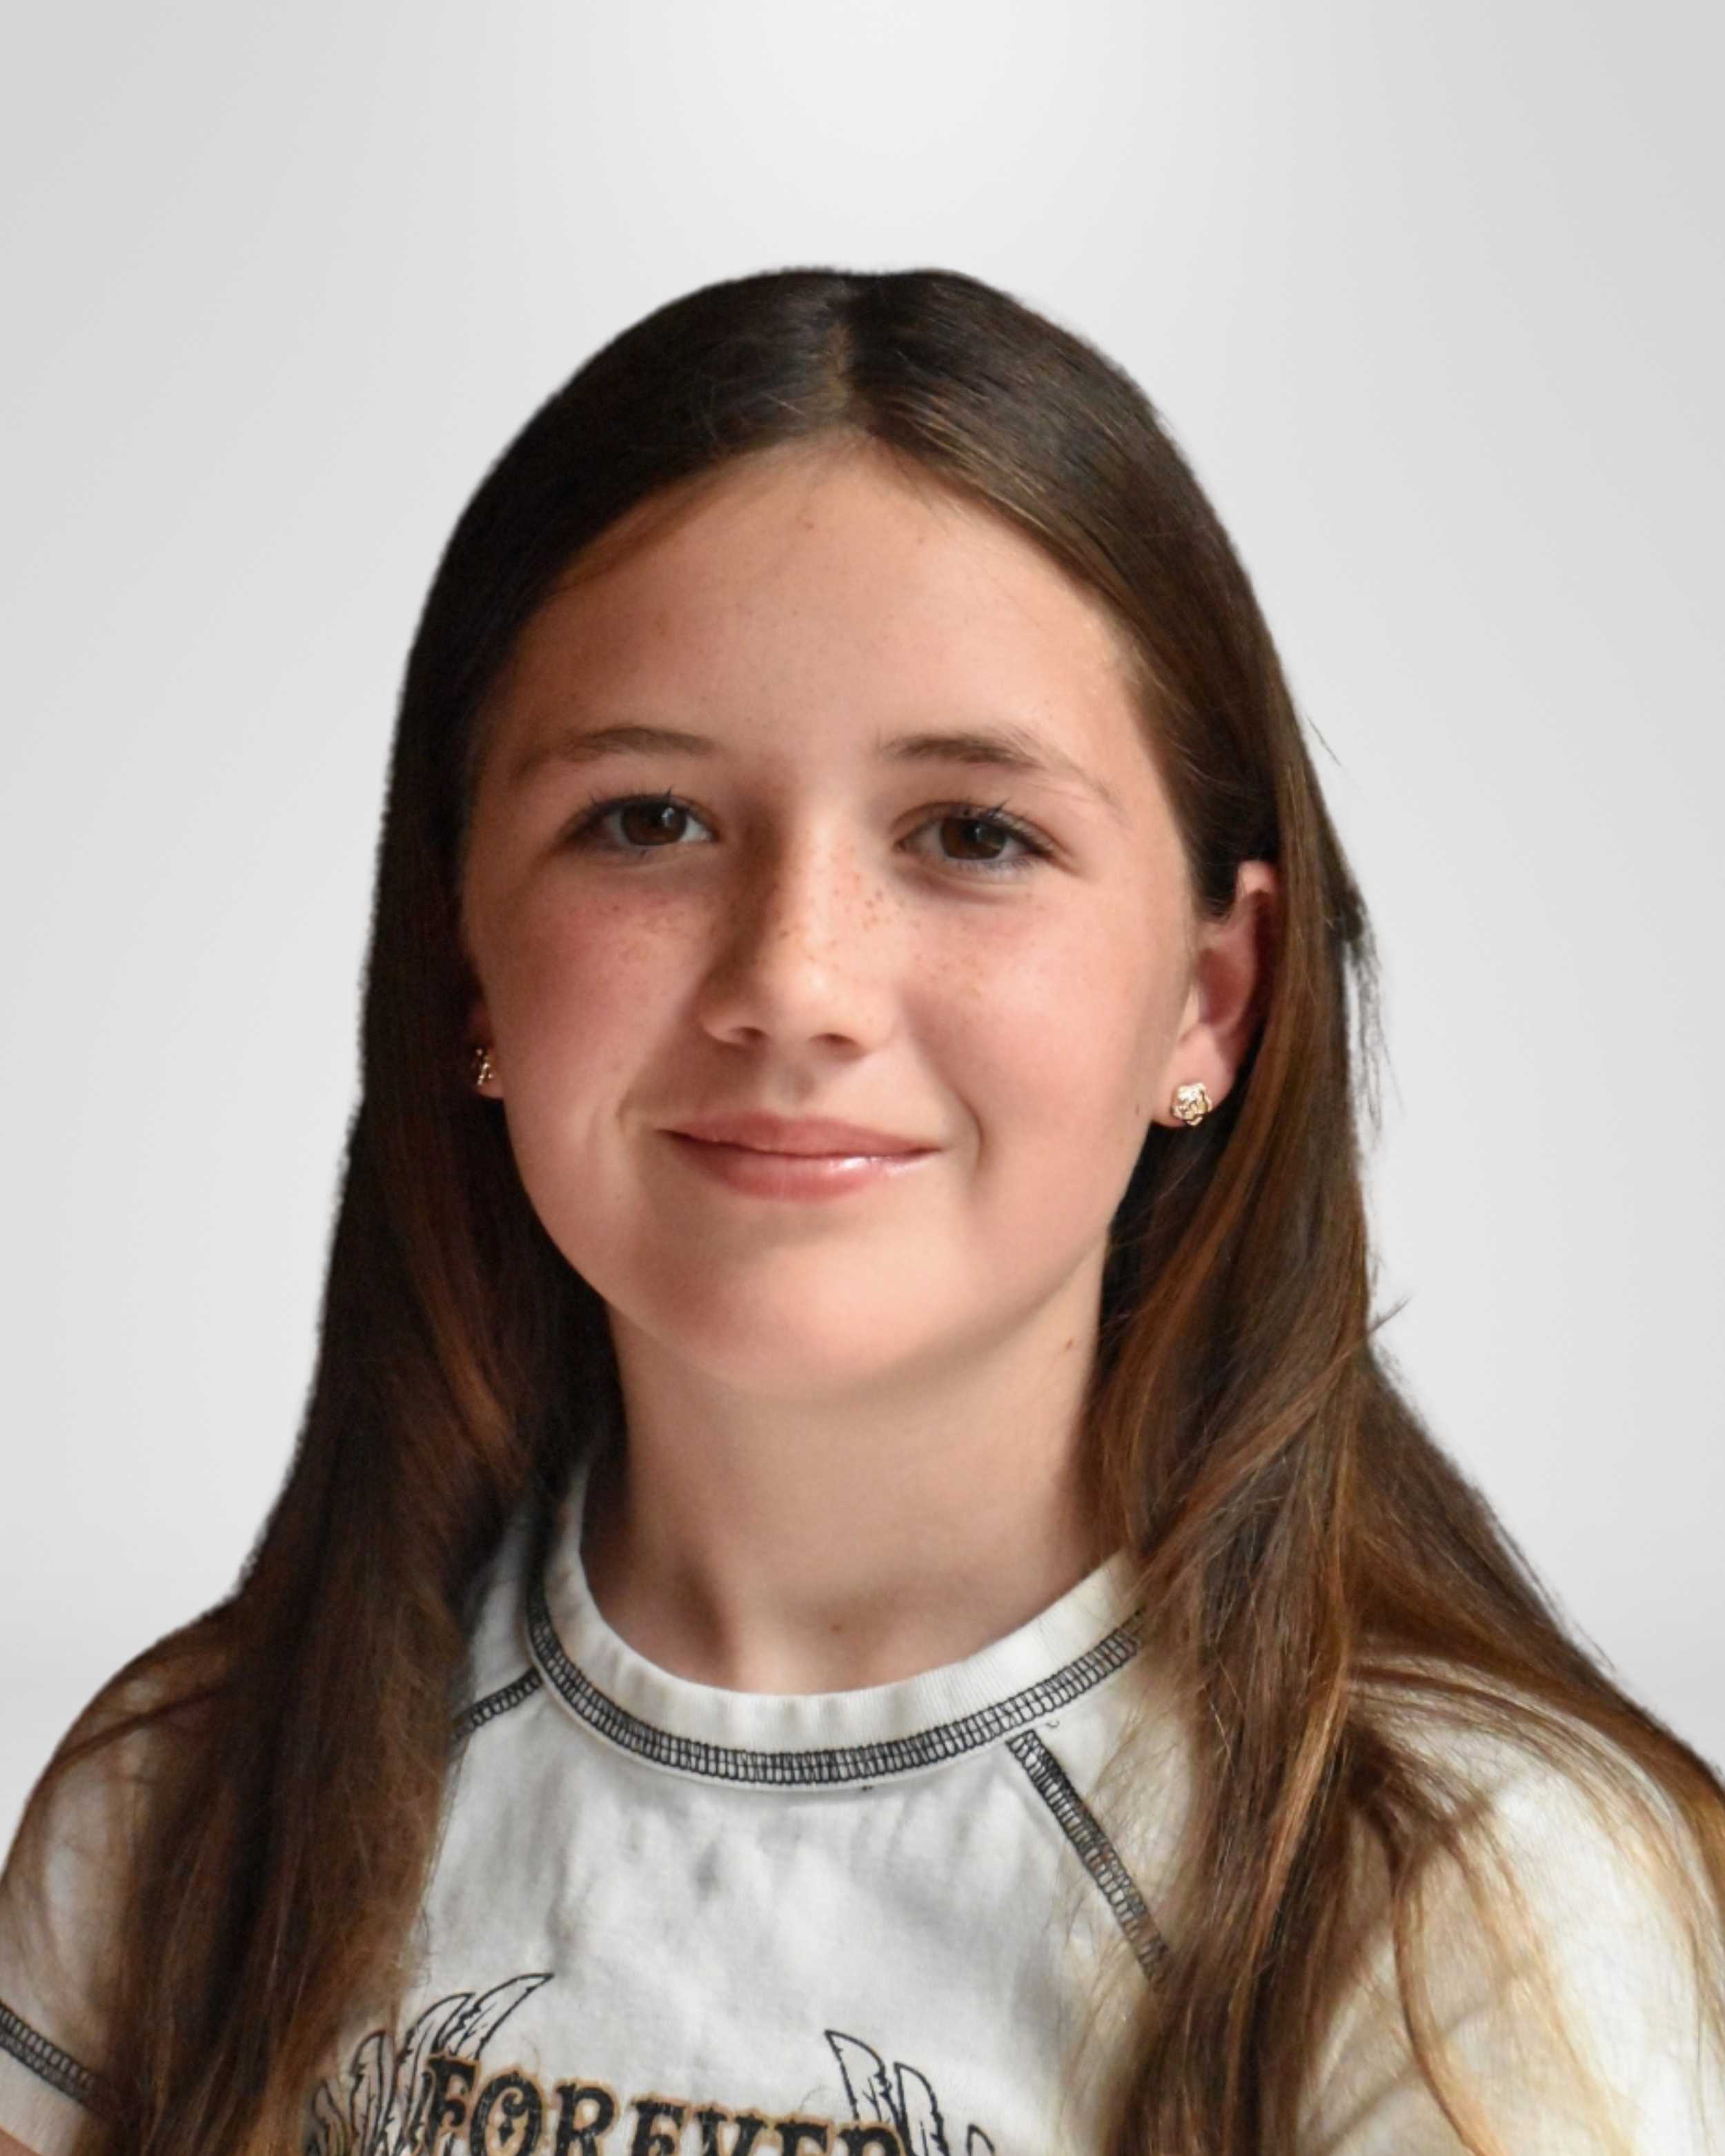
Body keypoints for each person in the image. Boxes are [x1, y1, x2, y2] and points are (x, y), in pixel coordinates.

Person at [0, 268, 1720, 2156]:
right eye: (647, 818)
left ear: (1210, 997)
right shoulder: (179, 1811)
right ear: (467, 964)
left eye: (973, 834)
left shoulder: (1457, 1912)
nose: (794, 981)